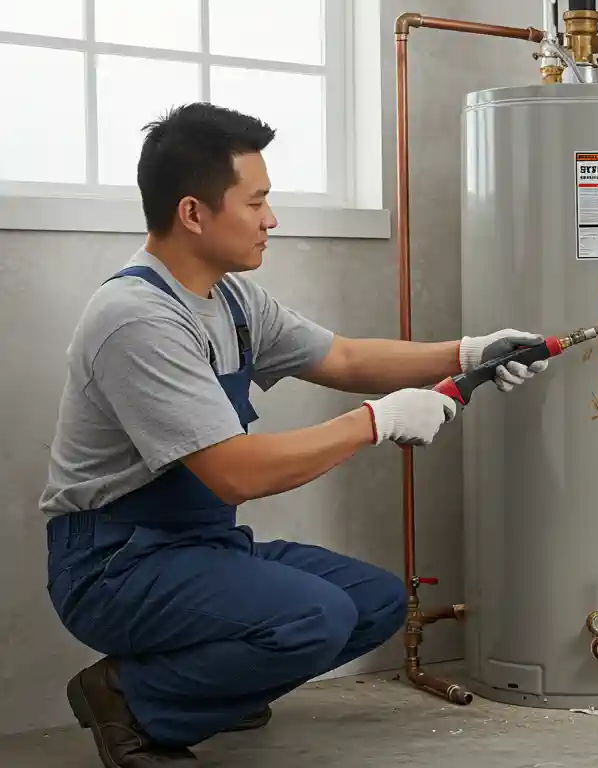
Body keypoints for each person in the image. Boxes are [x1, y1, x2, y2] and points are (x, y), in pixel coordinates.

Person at [42, 103, 550, 766]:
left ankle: (213, 687)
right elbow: (237, 474)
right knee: (313, 617)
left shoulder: (231, 300)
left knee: (374, 603)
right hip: (113, 565)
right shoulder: (137, 319)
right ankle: (129, 699)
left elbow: (342, 358)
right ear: (194, 213)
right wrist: (377, 421)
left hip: (197, 547)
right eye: (256, 202)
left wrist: (469, 352)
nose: (270, 219)